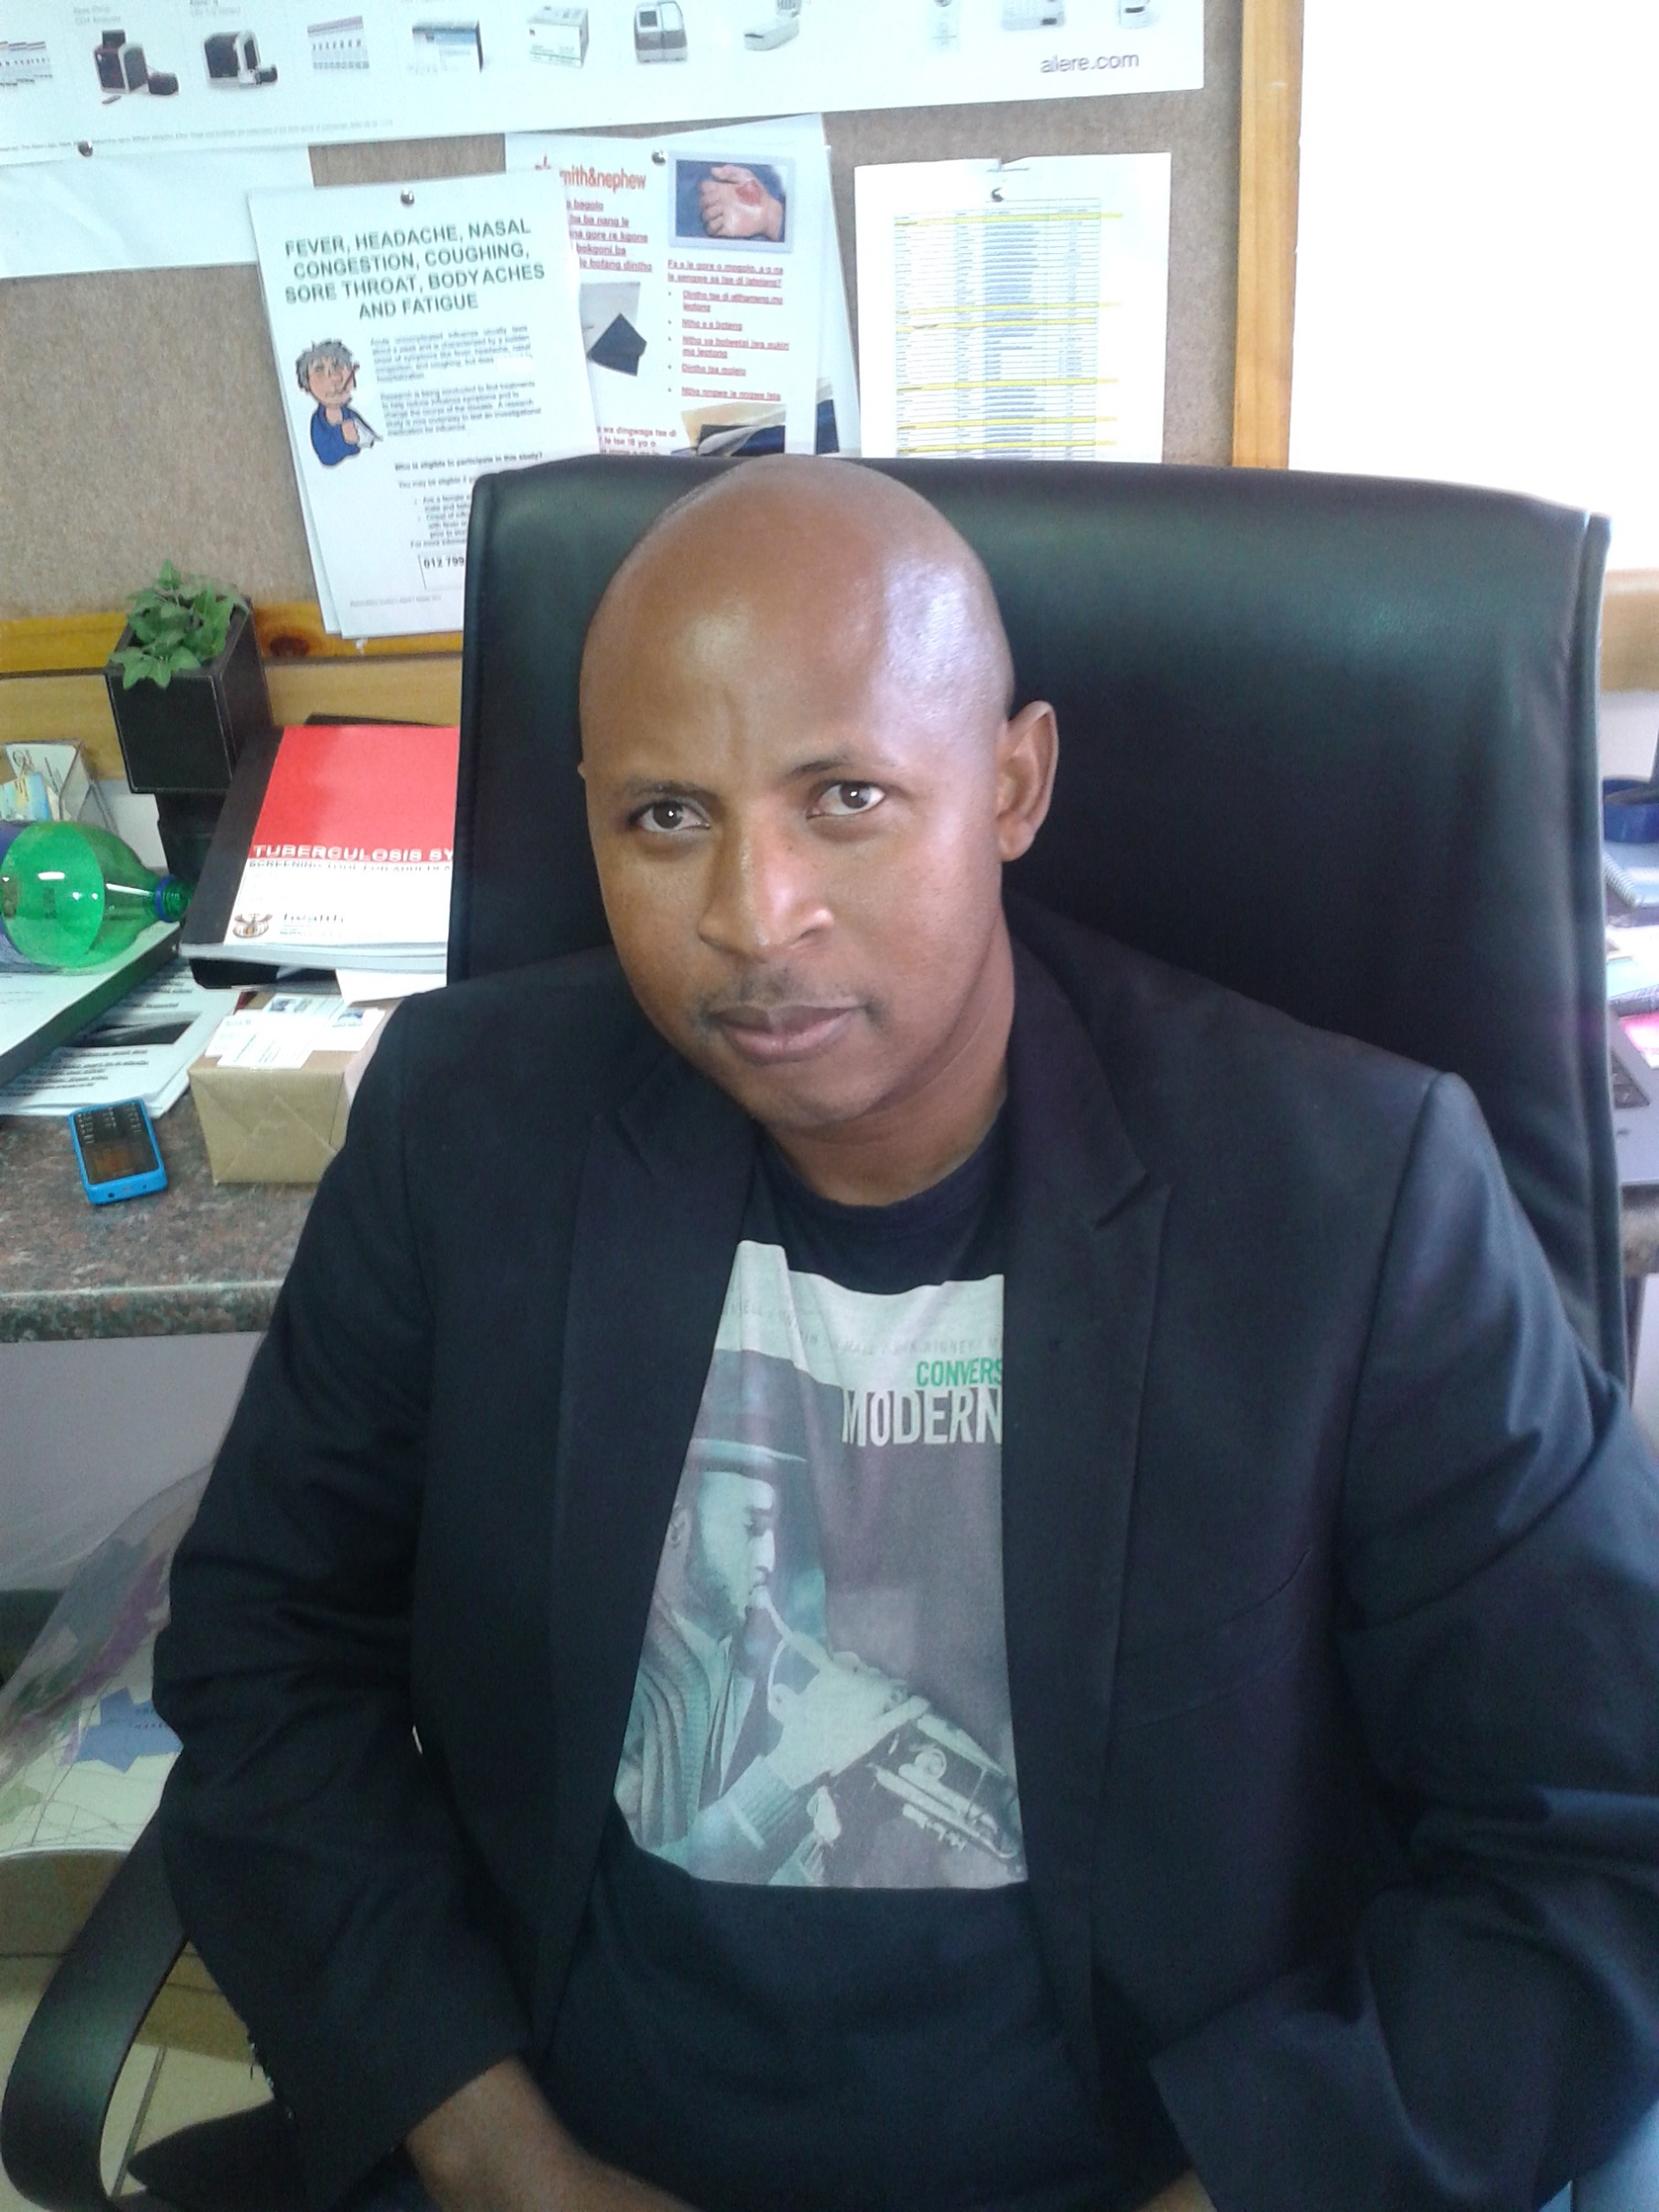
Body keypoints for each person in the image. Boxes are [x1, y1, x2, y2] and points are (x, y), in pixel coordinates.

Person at [153, 457, 1659, 2212]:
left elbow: (1601, 1838)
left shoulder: (1352, 1198)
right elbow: (268, 1655)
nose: (752, 913)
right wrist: (499, 2156)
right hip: (567, 2145)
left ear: (1011, 784)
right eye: (665, 816)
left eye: (847, 797)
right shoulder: (465, 1130)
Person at [296, 340, 379, 467]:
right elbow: (326, 457)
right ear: (307, 384)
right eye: (319, 370)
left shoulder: (353, 415)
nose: (335, 377)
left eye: (338, 366)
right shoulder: (318, 423)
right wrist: (342, 437)